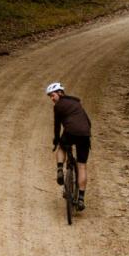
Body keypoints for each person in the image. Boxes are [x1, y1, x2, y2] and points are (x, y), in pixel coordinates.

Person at [46, 81, 91, 212]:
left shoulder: (58, 106)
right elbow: (87, 120)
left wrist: (56, 139)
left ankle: (60, 169)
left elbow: (57, 125)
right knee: (82, 165)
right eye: (50, 97)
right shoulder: (77, 103)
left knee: (61, 146)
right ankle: (81, 199)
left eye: (52, 95)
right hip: (85, 134)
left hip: (71, 132)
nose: (52, 98)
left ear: (60, 93)